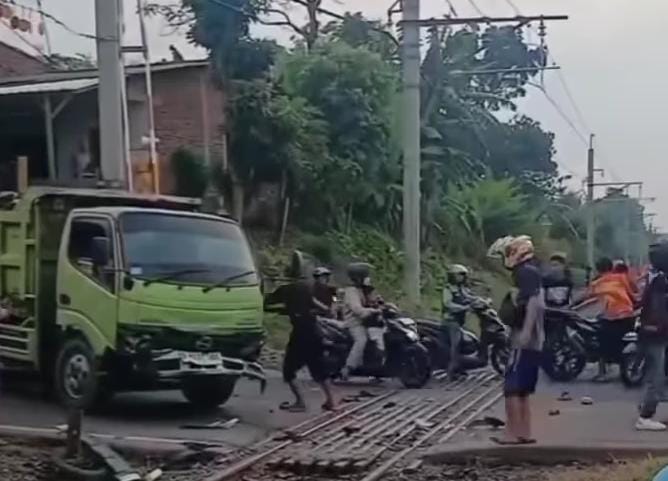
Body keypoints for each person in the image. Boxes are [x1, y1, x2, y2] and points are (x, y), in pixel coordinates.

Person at [487, 235, 544, 445]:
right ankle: (523, 433)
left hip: (524, 337)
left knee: (512, 388)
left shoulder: (524, 273)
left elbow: (535, 303)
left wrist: (526, 332)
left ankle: (512, 435)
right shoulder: (532, 272)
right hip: (531, 338)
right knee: (522, 389)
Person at [264, 278, 338, 413]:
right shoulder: (306, 290)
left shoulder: (286, 290)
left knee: (288, 370)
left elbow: (267, 304)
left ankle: (300, 402)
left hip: (300, 336)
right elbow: (325, 309)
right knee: (319, 369)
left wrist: (284, 310)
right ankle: (331, 401)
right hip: (315, 334)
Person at [580, 257, 636, 380]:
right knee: (621, 342)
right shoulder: (621, 278)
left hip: (611, 318)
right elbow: (633, 294)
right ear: (611, 268)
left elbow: (585, 298)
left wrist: (572, 306)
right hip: (628, 316)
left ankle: (602, 373)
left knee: (602, 343)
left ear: (597, 269)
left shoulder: (597, 283)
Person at [636, 241, 668, 431]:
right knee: (656, 377)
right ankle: (645, 417)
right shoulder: (660, 281)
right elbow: (658, 312)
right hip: (655, 334)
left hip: (654, 333)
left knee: (658, 374)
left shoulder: (655, 277)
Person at [341, 263, 381, 380]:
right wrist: (371, 311)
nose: (368, 278)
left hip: (368, 322)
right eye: (366, 276)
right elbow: (357, 309)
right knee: (361, 340)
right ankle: (348, 367)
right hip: (355, 322)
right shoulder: (351, 291)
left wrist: (380, 303)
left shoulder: (364, 289)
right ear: (359, 277)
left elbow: (374, 301)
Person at [442, 264, 475, 379]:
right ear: (452, 276)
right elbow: (447, 304)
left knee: (463, 345)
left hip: (459, 321)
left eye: (463, 275)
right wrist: (463, 308)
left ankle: (460, 368)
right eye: (459, 275)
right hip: (451, 321)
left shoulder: (461, 289)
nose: (461, 278)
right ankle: (451, 371)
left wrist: (481, 301)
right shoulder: (448, 289)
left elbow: (469, 297)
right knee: (455, 346)